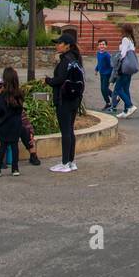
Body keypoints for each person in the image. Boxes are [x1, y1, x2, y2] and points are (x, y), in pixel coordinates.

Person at [47, 28, 86, 173]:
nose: (57, 45)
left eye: (60, 43)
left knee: (65, 131)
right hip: (74, 100)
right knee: (70, 130)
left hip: (64, 100)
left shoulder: (65, 60)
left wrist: (48, 80)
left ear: (67, 45)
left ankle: (64, 163)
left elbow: (60, 79)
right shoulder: (76, 59)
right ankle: (71, 161)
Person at [0, 78, 40, 168]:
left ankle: (33, 155)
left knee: (22, 128)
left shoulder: (12, 100)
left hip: (7, 128)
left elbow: (23, 117)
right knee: (2, 133)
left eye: (3, 86)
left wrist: (30, 131)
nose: (2, 89)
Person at [0, 67, 26, 177]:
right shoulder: (19, 94)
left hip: (4, 124)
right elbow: (20, 110)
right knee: (15, 146)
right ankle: (15, 168)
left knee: (3, 147)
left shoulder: (2, 96)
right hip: (16, 124)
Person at [110, 25, 138, 118]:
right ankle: (126, 111)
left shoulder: (125, 39)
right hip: (129, 68)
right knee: (125, 89)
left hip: (124, 68)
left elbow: (123, 53)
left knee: (118, 89)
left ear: (124, 30)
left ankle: (130, 105)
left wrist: (116, 60)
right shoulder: (131, 40)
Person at [94, 40, 113, 110]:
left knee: (104, 89)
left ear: (106, 46)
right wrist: (96, 69)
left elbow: (111, 65)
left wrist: (111, 74)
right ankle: (112, 100)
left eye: (103, 44)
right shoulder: (98, 53)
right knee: (103, 89)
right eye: (100, 44)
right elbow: (99, 63)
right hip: (101, 74)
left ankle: (111, 100)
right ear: (98, 46)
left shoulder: (107, 55)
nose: (102, 46)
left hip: (107, 74)